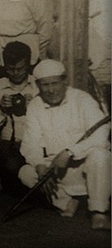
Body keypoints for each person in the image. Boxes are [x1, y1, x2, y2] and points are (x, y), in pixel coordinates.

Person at [18, 59, 111, 230]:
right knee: (26, 172)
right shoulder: (35, 105)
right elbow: (30, 144)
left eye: (55, 83)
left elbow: (101, 135)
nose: (51, 90)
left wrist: (70, 152)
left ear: (65, 81)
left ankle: (99, 212)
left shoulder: (82, 99)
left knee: (101, 155)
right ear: (38, 86)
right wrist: (39, 166)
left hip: (87, 170)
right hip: (57, 172)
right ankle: (67, 202)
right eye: (45, 85)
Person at [0, 42, 38, 194]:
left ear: (28, 64)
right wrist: (2, 110)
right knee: (12, 165)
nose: (15, 73)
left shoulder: (37, 85)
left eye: (20, 69)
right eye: (10, 69)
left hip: (35, 140)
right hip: (9, 144)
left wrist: (35, 107)